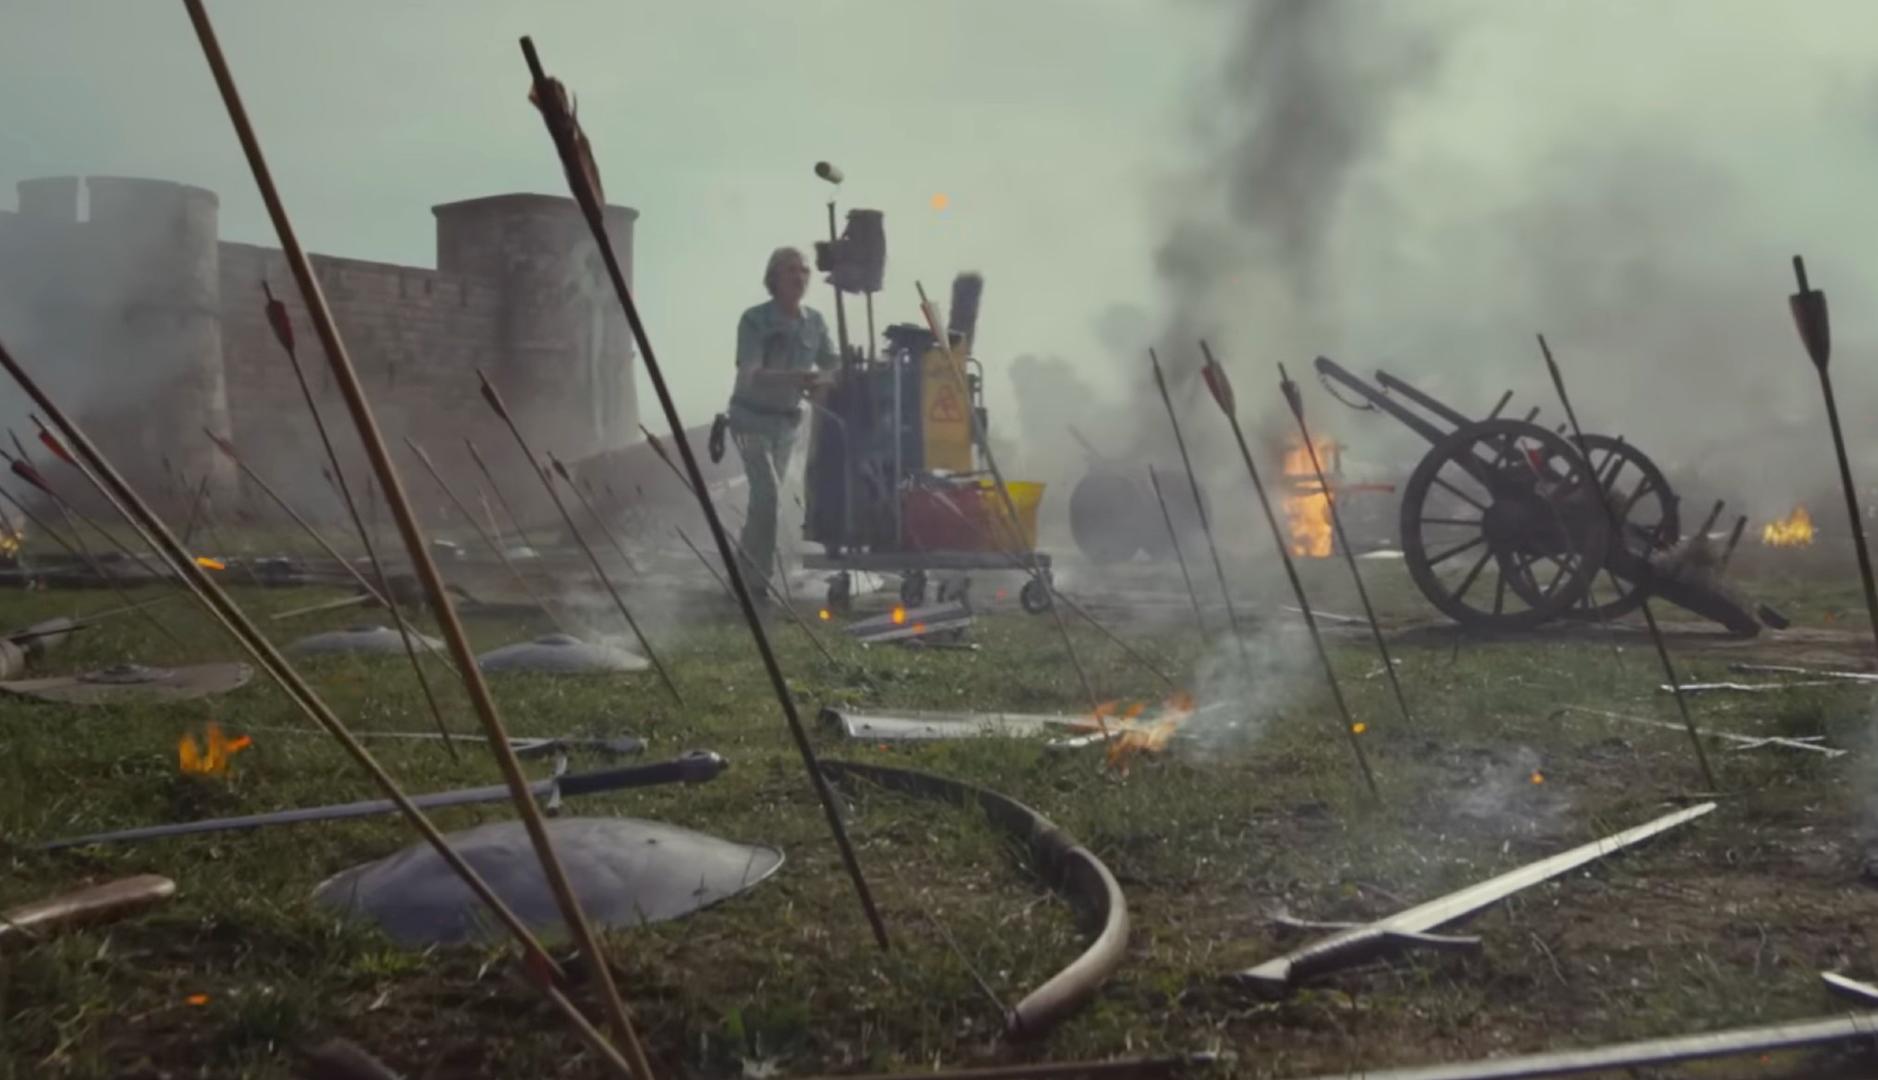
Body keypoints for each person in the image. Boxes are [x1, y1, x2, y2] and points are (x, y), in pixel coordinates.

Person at [725, 246, 838, 596]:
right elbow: (750, 375)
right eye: (790, 269)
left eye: (804, 270)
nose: (799, 276)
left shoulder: (815, 322)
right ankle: (759, 583)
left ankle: (743, 575)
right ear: (774, 277)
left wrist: (833, 377)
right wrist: (797, 377)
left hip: (787, 425)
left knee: (763, 503)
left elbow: (833, 365)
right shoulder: (754, 320)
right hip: (750, 420)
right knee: (769, 495)